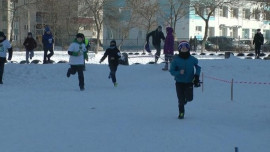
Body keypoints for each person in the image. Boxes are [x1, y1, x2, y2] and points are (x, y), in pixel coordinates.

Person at [169, 41, 201, 119]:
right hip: (179, 82)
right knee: (180, 99)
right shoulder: (176, 60)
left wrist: (197, 76)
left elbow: (198, 67)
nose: (184, 49)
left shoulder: (192, 59)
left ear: (188, 49)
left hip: (189, 82)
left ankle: (186, 99)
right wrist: (178, 72)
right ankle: (181, 113)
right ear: (180, 49)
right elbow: (171, 71)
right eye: (182, 48)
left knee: (190, 98)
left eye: (186, 48)